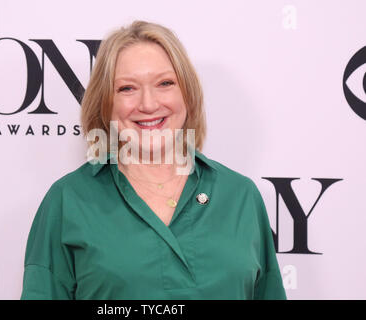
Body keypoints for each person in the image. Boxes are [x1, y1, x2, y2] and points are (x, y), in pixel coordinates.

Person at [20, 20, 286, 300]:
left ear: (187, 93)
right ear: (105, 102)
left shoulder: (241, 195)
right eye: (127, 88)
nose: (148, 104)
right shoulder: (67, 201)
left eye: (165, 83)